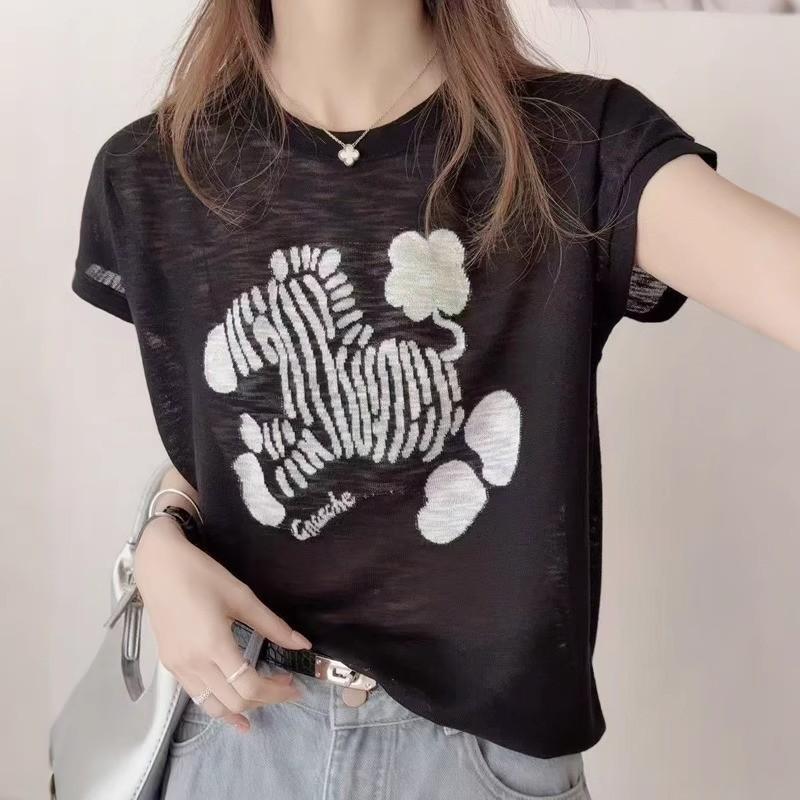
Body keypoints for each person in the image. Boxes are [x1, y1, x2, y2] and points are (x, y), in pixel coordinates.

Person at [69, 1, 800, 797]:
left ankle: (453, 442)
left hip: (477, 761)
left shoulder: (575, 148)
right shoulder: (151, 173)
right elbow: (214, 452)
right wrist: (157, 538)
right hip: (238, 730)